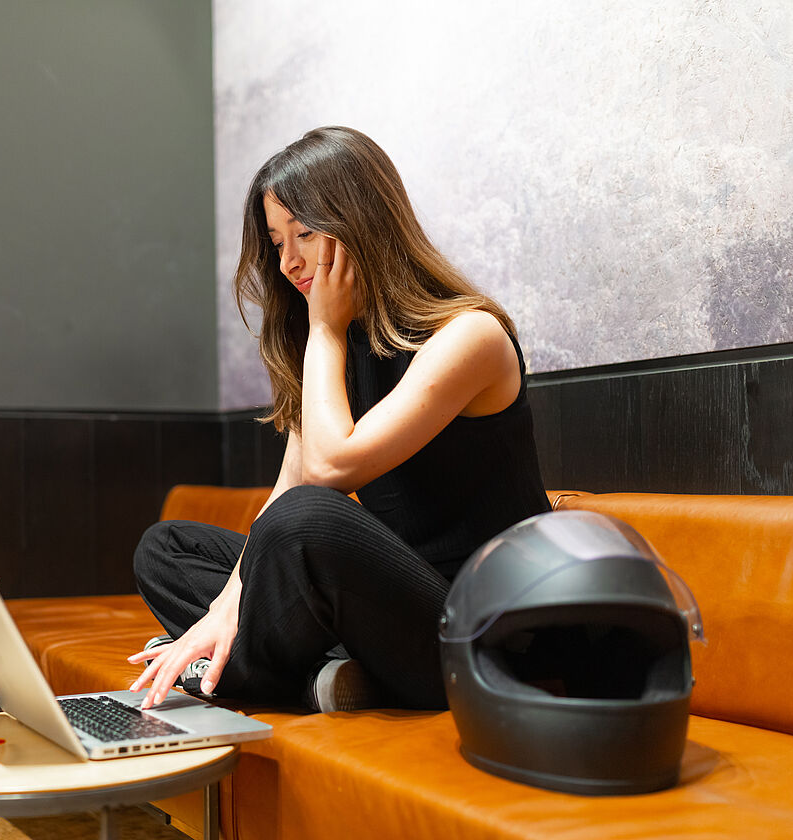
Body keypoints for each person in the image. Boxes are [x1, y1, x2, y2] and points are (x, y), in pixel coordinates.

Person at [129, 126, 550, 712]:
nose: (289, 262)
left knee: (305, 523)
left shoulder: (469, 335)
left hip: (472, 634)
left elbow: (329, 471)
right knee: (167, 548)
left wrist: (324, 328)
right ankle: (322, 678)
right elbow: (285, 489)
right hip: (383, 609)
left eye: (303, 233)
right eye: (277, 243)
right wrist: (226, 604)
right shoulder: (337, 352)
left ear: (363, 225)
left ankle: (238, 673)